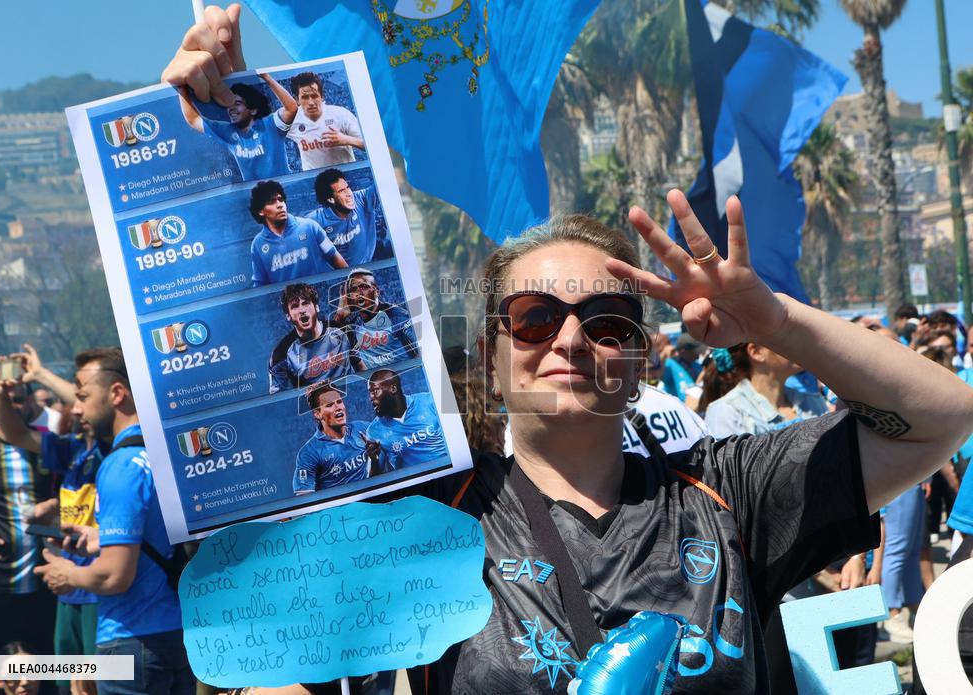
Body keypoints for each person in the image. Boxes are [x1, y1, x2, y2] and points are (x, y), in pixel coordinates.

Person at [163, 13, 973, 691]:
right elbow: (245, 584)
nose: (573, 339)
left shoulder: (728, 492)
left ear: (645, 356)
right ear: (490, 357)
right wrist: (236, 129)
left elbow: (941, 416)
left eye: (610, 321)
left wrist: (780, 320)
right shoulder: (427, 517)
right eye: (535, 317)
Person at [32, 348, 194, 695]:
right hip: (175, 632)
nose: (77, 408)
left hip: (131, 640)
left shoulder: (120, 466)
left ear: (117, 393)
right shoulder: (160, 455)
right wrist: (99, 537)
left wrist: (68, 575)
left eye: (84, 397)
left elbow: (115, 576)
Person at [0, 359, 105, 695]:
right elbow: (13, 432)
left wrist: (41, 374)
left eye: (84, 395)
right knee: (68, 681)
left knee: (100, 679)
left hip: (101, 585)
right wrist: (1, 394)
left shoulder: (115, 448)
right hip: (68, 584)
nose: (78, 406)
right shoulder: (70, 449)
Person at [0, 372, 55, 658]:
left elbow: (77, 489)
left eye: (19, 399)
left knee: (50, 669)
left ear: (31, 402)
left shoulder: (48, 443)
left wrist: (54, 505)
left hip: (45, 578)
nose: (14, 406)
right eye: (5, 399)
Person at [174, 69, 297, 181]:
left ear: (252, 110)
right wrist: (181, 88)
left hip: (286, 191)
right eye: (229, 104)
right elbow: (193, 119)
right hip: (259, 198)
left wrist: (267, 77)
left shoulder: (270, 124)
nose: (231, 108)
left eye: (237, 103)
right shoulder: (226, 132)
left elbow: (291, 108)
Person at [700, 343, 827, 437]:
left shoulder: (812, 401)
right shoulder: (726, 412)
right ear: (756, 352)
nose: (796, 342)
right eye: (784, 336)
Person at [248, 180, 348, 286]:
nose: (280, 205)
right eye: (271, 202)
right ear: (260, 211)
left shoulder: (309, 226)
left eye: (281, 200)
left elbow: (335, 257)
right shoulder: (258, 244)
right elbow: (260, 284)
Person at [292, 382, 384, 494]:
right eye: (329, 405)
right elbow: (304, 495)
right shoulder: (309, 453)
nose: (338, 408)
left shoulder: (362, 428)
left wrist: (374, 459)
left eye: (339, 402)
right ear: (317, 414)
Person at [269, 283, 361, 394]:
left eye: (305, 303)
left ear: (316, 307)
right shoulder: (281, 355)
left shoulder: (343, 331)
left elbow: (360, 366)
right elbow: (280, 398)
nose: (301, 310)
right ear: (288, 316)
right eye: (295, 306)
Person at [330, 268, 418, 369]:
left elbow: (422, 349)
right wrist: (340, 315)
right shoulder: (354, 326)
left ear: (376, 292)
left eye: (364, 286)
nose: (359, 292)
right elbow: (329, 348)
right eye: (354, 289)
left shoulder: (395, 315)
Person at [365, 369, 449, 469]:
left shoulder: (429, 401)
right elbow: (374, 480)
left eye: (375, 391)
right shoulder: (374, 431)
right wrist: (374, 460)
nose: (370, 398)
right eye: (370, 393)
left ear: (393, 389)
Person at [280, 71, 366, 170]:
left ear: (322, 96)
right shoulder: (292, 119)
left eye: (314, 96)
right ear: (297, 100)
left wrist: (346, 139)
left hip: (344, 175)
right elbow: (266, 125)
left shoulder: (341, 114)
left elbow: (369, 145)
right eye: (305, 97)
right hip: (315, 179)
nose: (311, 102)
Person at [307, 169, 381, 266]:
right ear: (330, 199)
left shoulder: (362, 199)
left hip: (367, 264)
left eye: (348, 187)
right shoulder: (316, 221)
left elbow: (385, 181)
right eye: (342, 191)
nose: (349, 193)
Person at [661, 332, 702, 401]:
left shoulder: (697, 366)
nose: (698, 354)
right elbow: (653, 371)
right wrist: (663, 355)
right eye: (695, 351)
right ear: (683, 351)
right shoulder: (669, 365)